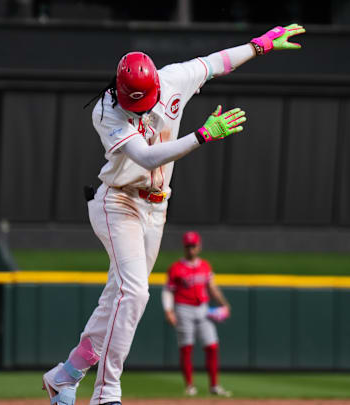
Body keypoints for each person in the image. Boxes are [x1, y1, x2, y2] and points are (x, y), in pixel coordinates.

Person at [41, 24, 305, 405]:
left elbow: (218, 63)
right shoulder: (106, 109)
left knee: (119, 297)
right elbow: (146, 157)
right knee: (135, 293)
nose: (139, 108)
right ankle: (106, 393)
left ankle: (66, 375)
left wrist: (258, 46)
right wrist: (202, 135)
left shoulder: (174, 78)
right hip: (118, 202)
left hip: (156, 206)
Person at [163, 231, 231, 397]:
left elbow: (212, 288)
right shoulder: (176, 268)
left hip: (203, 309)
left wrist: (224, 304)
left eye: (193, 246)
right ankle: (190, 386)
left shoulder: (205, 266)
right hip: (183, 308)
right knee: (186, 347)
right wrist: (168, 310)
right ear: (184, 247)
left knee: (212, 345)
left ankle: (214, 386)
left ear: (199, 246)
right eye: (188, 246)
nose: (191, 249)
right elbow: (168, 291)